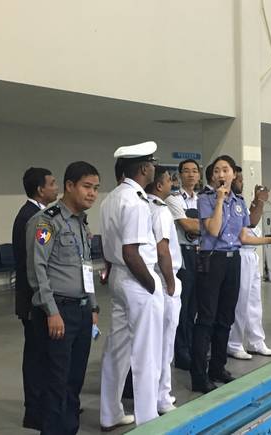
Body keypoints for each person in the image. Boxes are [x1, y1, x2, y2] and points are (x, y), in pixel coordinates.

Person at [191, 155, 271, 393]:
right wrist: (219, 200)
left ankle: (218, 368)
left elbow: (244, 236)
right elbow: (213, 230)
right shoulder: (206, 199)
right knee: (206, 319)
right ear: (212, 176)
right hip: (212, 260)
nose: (221, 174)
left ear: (233, 174)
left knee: (226, 316)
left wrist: (270, 240)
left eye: (225, 170)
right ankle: (199, 376)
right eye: (216, 171)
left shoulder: (238, 201)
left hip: (232, 260)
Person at [26, 161, 101, 435]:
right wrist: (51, 311)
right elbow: (37, 269)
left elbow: (85, 266)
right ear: (69, 186)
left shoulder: (81, 222)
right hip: (59, 311)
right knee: (55, 382)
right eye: (87, 186)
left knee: (74, 381)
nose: (92, 193)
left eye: (96, 188)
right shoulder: (47, 221)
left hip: (81, 311)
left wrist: (93, 306)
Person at [99, 141, 164, 429]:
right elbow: (131, 251)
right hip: (137, 279)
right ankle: (148, 419)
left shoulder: (110, 198)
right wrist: (152, 285)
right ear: (144, 169)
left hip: (118, 278)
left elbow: (108, 246)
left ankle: (110, 413)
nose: (154, 168)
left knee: (117, 349)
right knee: (146, 352)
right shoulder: (136, 201)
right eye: (152, 164)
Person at [11, 167, 58, 430]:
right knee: (36, 356)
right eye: (52, 184)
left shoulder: (39, 214)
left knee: (45, 354)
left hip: (37, 297)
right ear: (40, 189)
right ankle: (35, 410)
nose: (56, 188)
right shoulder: (31, 217)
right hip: (33, 300)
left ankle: (48, 404)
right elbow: (33, 263)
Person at [227, 168, 271, 360]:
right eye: (239, 179)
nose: (241, 183)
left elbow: (251, 219)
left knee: (254, 302)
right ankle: (234, 343)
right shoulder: (227, 201)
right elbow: (250, 224)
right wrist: (259, 201)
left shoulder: (240, 201)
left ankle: (256, 341)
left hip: (251, 256)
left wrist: (258, 200)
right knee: (240, 302)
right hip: (239, 254)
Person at [146, 166, 182, 414]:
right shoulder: (160, 210)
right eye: (169, 180)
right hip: (163, 278)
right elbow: (163, 250)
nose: (172, 183)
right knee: (165, 343)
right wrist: (171, 282)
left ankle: (156, 394)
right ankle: (162, 397)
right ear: (159, 185)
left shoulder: (143, 206)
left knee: (153, 343)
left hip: (149, 278)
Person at [165, 159, 200, 370]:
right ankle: (181, 352)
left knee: (195, 305)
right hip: (183, 253)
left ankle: (193, 347)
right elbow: (186, 225)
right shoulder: (173, 199)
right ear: (179, 175)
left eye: (194, 171)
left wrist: (201, 224)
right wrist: (209, 224)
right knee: (183, 306)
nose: (191, 174)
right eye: (186, 171)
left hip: (200, 253)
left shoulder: (201, 199)